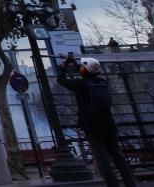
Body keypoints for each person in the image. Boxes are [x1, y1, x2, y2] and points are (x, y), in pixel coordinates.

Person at [57, 56, 136, 187]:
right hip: (109, 124)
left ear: (84, 71)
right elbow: (88, 72)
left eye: (82, 67)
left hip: (92, 125)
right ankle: (130, 183)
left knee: (102, 159)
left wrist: (64, 66)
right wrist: (77, 65)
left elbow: (61, 80)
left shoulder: (80, 85)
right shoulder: (102, 82)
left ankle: (112, 184)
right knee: (118, 155)